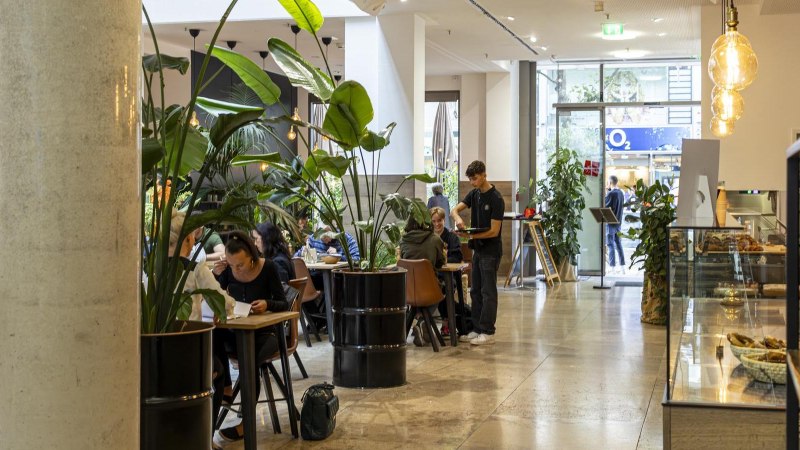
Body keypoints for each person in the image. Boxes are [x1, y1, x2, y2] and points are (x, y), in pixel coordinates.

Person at [212, 230, 289, 443]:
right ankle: (226, 386)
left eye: (241, 265)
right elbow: (215, 298)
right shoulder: (228, 270)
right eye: (232, 265)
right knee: (213, 335)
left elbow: (283, 303)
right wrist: (216, 275)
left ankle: (246, 423)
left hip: (266, 333)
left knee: (249, 361)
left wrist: (267, 304)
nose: (236, 269)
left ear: (252, 257)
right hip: (237, 331)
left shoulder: (268, 268)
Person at [167, 211, 234, 448]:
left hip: (156, 352)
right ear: (187, 239)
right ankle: (204, 436)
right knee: (217, 370)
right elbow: (225, 302)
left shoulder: (149, 268)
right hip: (187, 351)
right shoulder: (195, 269)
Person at [451, 160, 504, 346]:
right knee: (475, 291)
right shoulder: (474, 195)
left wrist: (470, 235)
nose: (473, 183)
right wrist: (458, 219)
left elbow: (494, 231)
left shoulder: (496, 198)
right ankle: (476, 328)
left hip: (491, 250)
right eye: (470, 180)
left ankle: (488, 331)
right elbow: (455, 209)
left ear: (484, 175)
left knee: (488, 291)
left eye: (475, 179)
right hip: (478, 250)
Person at [399, 213, 445, 346]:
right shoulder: (435, 239)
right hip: (430, 290)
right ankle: (422, 322)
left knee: (420, 290)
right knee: (444, 286)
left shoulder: (403, 241)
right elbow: (440, 263)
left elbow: (401, 260)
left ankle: (419, 321)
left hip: (408, 290)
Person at [431, 206, 463, 336]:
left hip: (449, 276)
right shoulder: (428, 238)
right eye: (434, 221)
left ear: (444, 220)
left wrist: (440, 260)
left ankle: (437, 322)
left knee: (443, 287)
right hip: (431, 277)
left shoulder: (452, 237)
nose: (437, 224)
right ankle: (429, 323)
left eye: (439, 220)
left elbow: (457, 257)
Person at [605, 175, 626, 274]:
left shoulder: (611, 194)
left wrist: (606, 193)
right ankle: (623, 267)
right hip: (618, 222)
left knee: (610, 244)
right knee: (618, 244)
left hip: (610, 222)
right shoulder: (621, 193)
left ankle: (612, 267)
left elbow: (604, 205)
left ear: (609, 182)